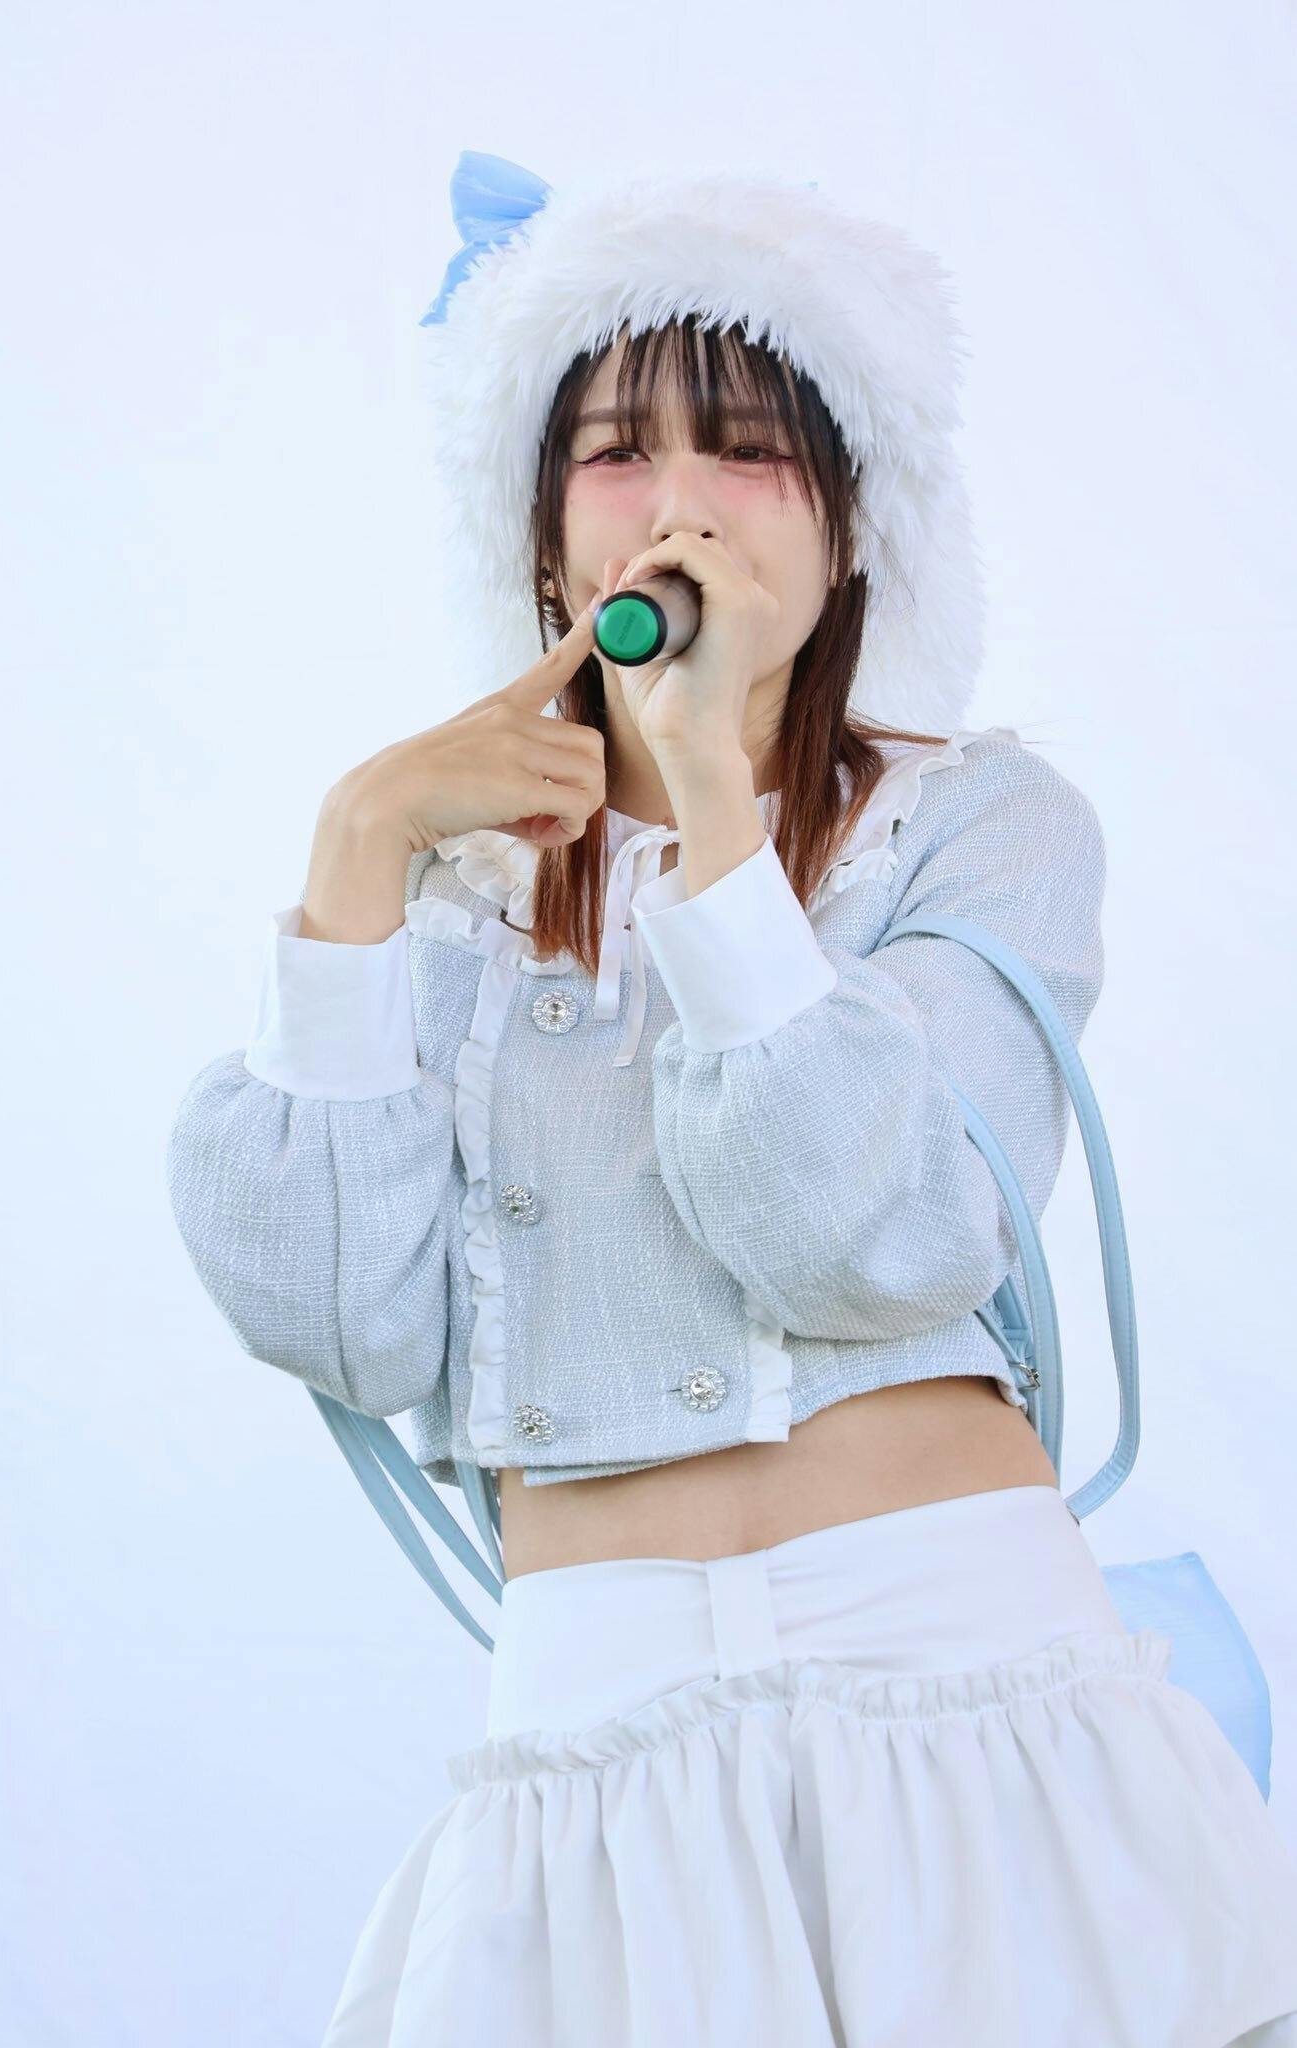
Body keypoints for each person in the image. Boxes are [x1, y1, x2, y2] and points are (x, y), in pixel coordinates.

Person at [166, 154, 1297, 2045]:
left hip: (962, 1680)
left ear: (850, 535)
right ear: (544, 543)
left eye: (750, 453)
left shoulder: (977, 826)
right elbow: (337, 1322)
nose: (678, 504)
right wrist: (359, 845)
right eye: (616, 453)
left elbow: (877, 1238)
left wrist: (705, 804)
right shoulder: (441, 906)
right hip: (599, 1744)